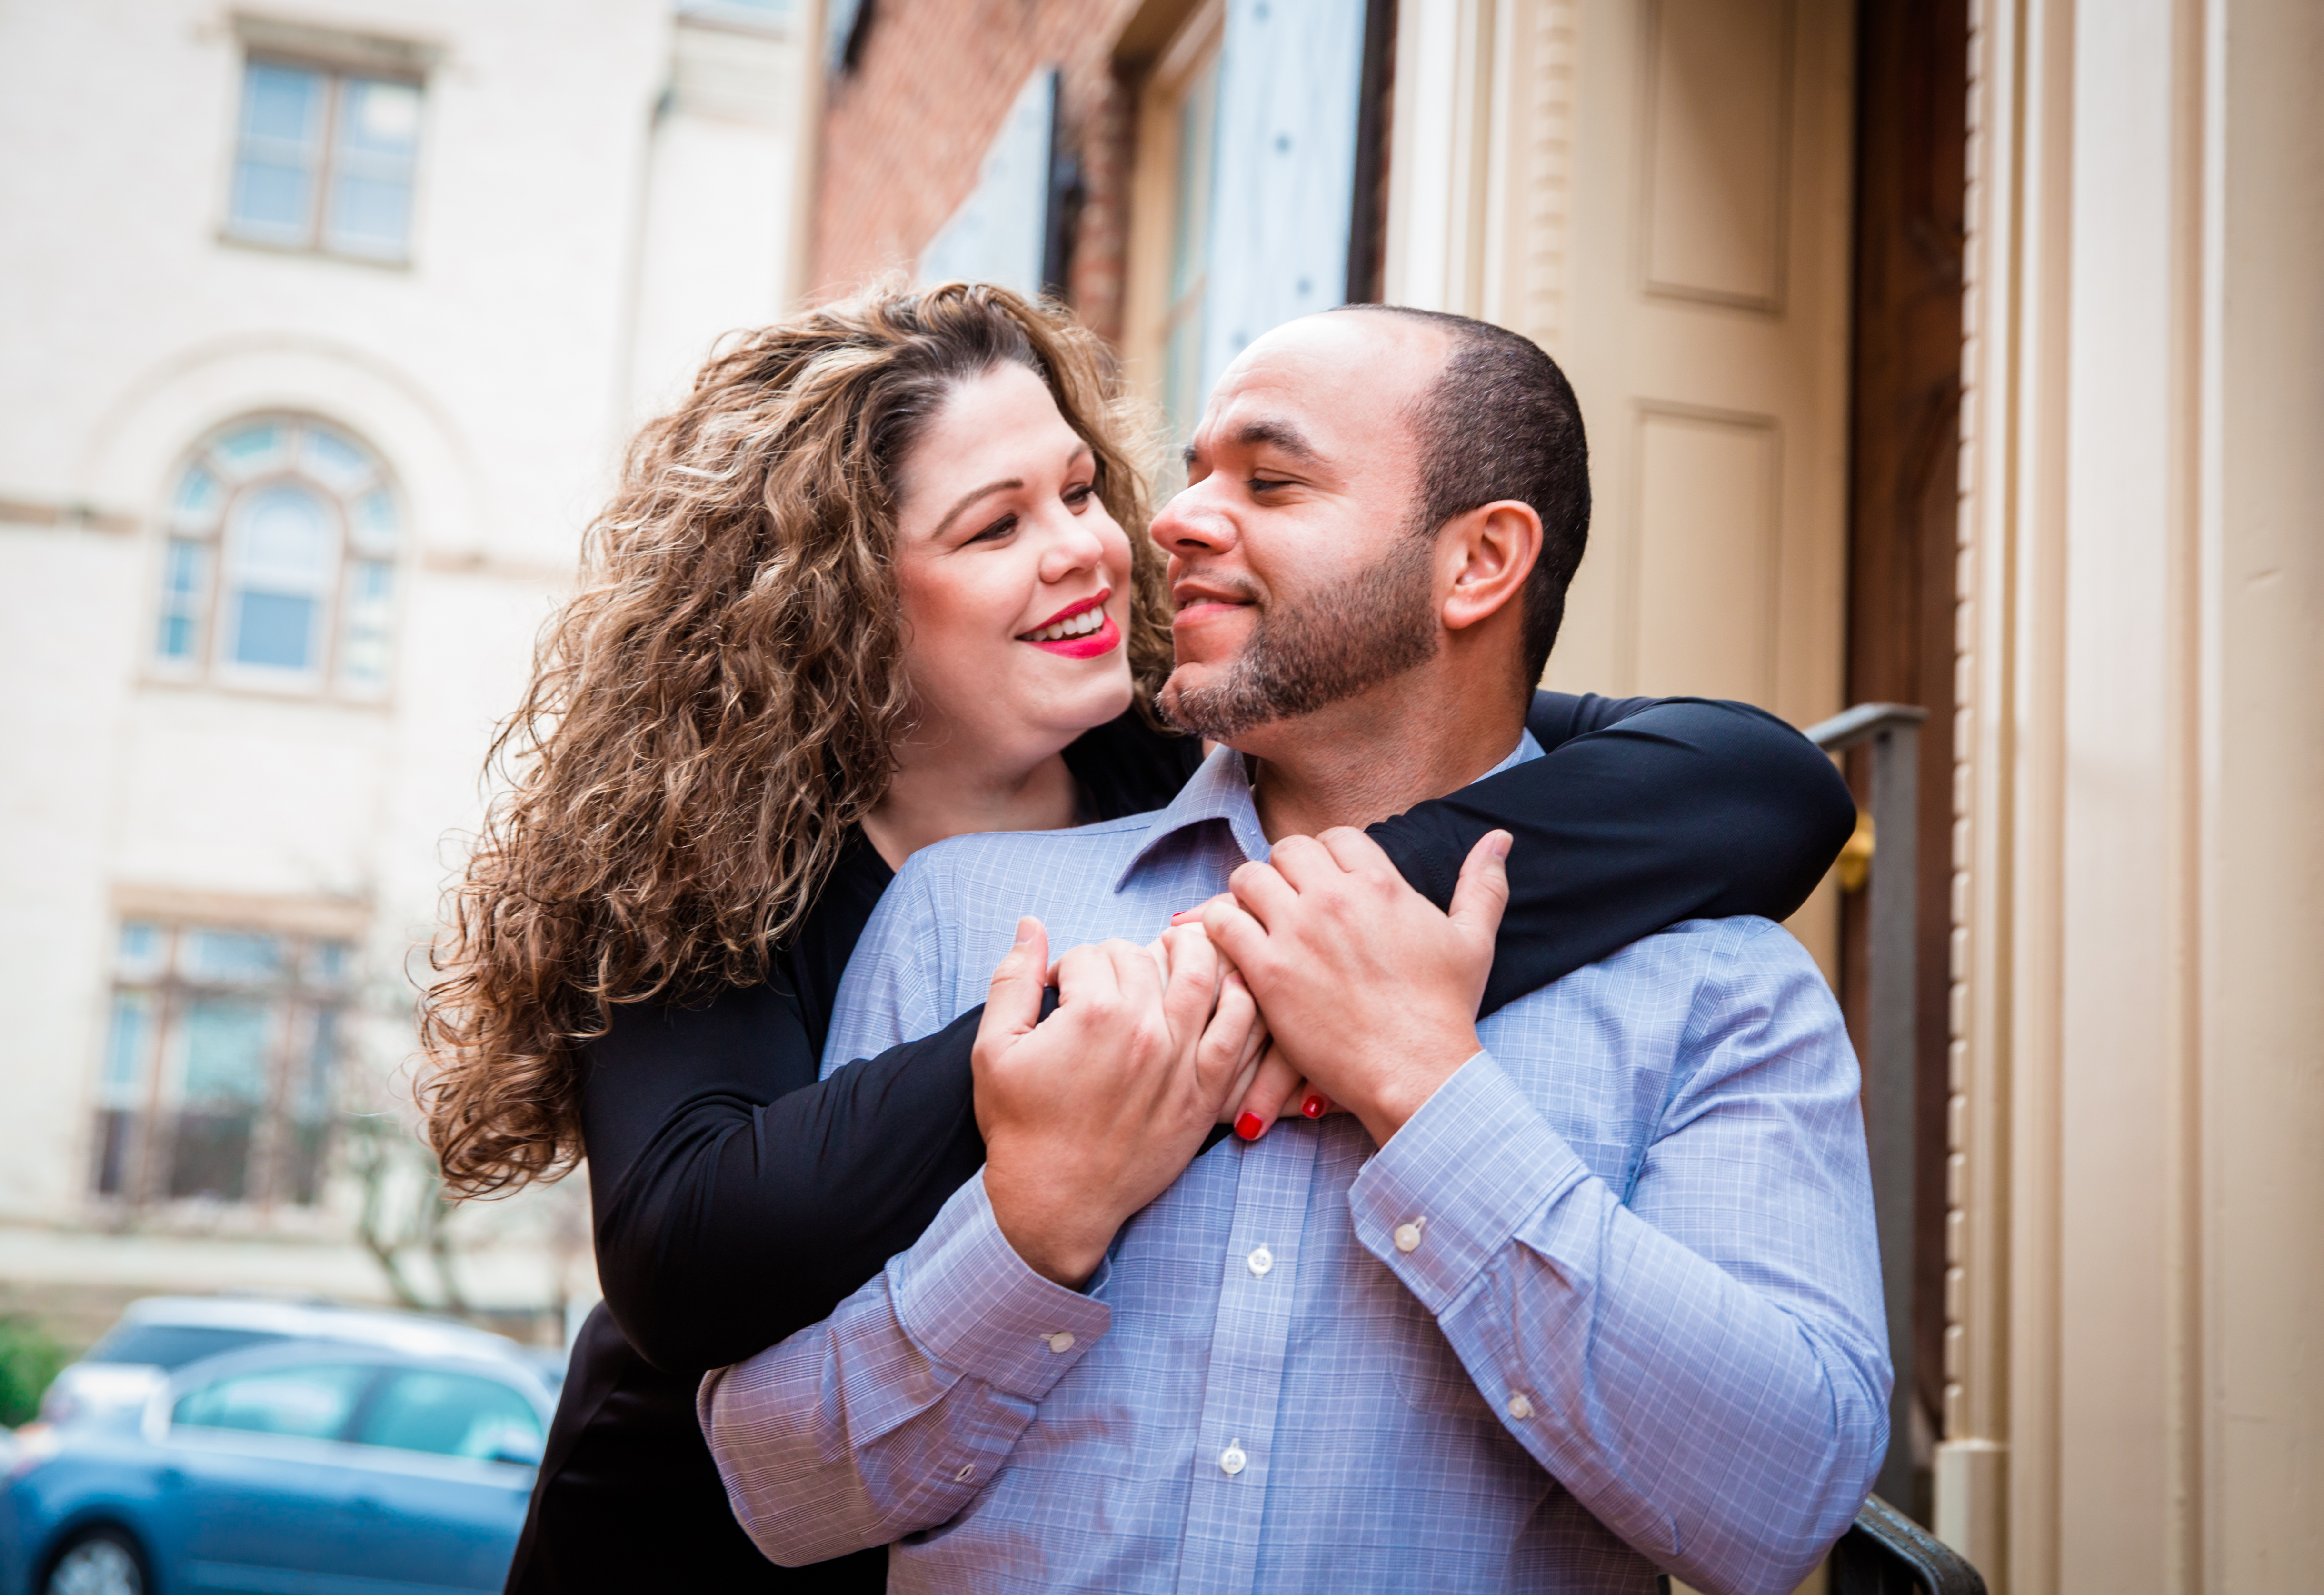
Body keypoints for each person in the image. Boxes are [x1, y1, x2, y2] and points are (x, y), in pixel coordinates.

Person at [419, 284, 1854, 1593]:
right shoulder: (724, 880)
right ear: (838, 606)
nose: (1115, 545)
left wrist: (1358, 991)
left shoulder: (1177, 733)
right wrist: (1103, 1096)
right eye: (997, 527)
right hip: (673, 1548)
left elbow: (1743, 780)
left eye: (1086, 487)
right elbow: (696, 1262)